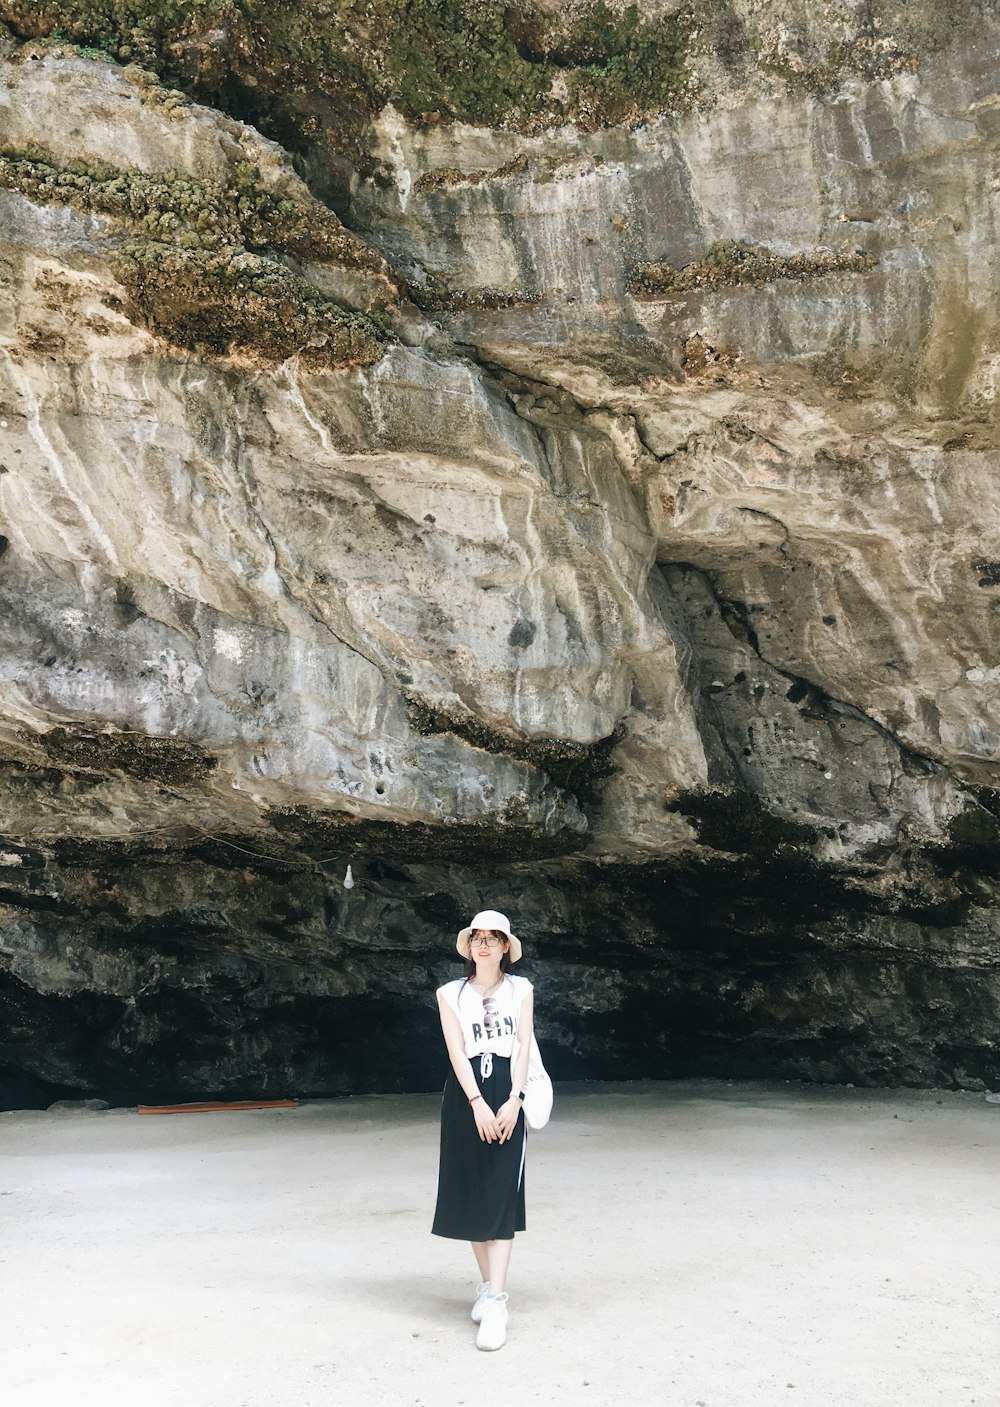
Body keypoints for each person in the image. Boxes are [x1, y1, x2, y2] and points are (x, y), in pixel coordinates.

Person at [431, 908, 534, 1351]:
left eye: (495, 938)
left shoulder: (522, 989)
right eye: (478, 938)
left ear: (506, 947)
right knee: (472, 1192)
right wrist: (476, 1102)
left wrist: (514, 1100)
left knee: (500, 1191)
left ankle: (496, 1298)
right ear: (469, 947)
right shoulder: (449, 993)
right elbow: (456, 1052)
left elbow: (523, 1044)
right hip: (468, 1092)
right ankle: (488, 1287)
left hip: (507, 1086)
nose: (485, 945)